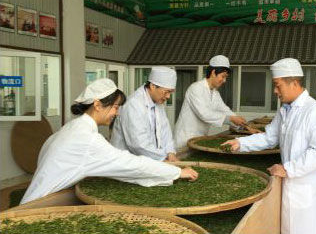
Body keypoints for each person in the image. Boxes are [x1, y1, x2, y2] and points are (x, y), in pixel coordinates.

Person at [20, 78, 198, 204]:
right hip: (38, 206)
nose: (117, 113)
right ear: (97, 105)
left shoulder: (72, 128)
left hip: (42, 197)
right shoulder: (87, 138)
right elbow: (130, 164)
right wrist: (175, 173)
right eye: (114, 107)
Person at [222, 58, 316, 234]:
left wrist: (287, 169)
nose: (275, 91)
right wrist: (240, 143)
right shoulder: (285, 110)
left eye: (277, 85)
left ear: (294, 83)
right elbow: (270, 137)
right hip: (291, 187)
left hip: (308, 191)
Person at [174, 55, 247, 150]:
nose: (224, 80)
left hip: (198, 139)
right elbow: (204, 114)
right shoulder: (196, 88)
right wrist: (232, 119)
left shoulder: (215, 93)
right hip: (184, 139)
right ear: (213, 72)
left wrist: (242, 126)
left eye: (226, 77)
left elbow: (225, 110)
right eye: (223, 76)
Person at [111, 67, 179, 162]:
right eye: (166, 92)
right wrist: (163, 158)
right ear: (152, 86)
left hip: (149, 161)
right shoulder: (133, 105)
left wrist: (170, 152)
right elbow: (138, 144)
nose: (168, 96)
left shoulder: (158, 102)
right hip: (127, 163)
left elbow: (165, 130)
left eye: (170, 92)